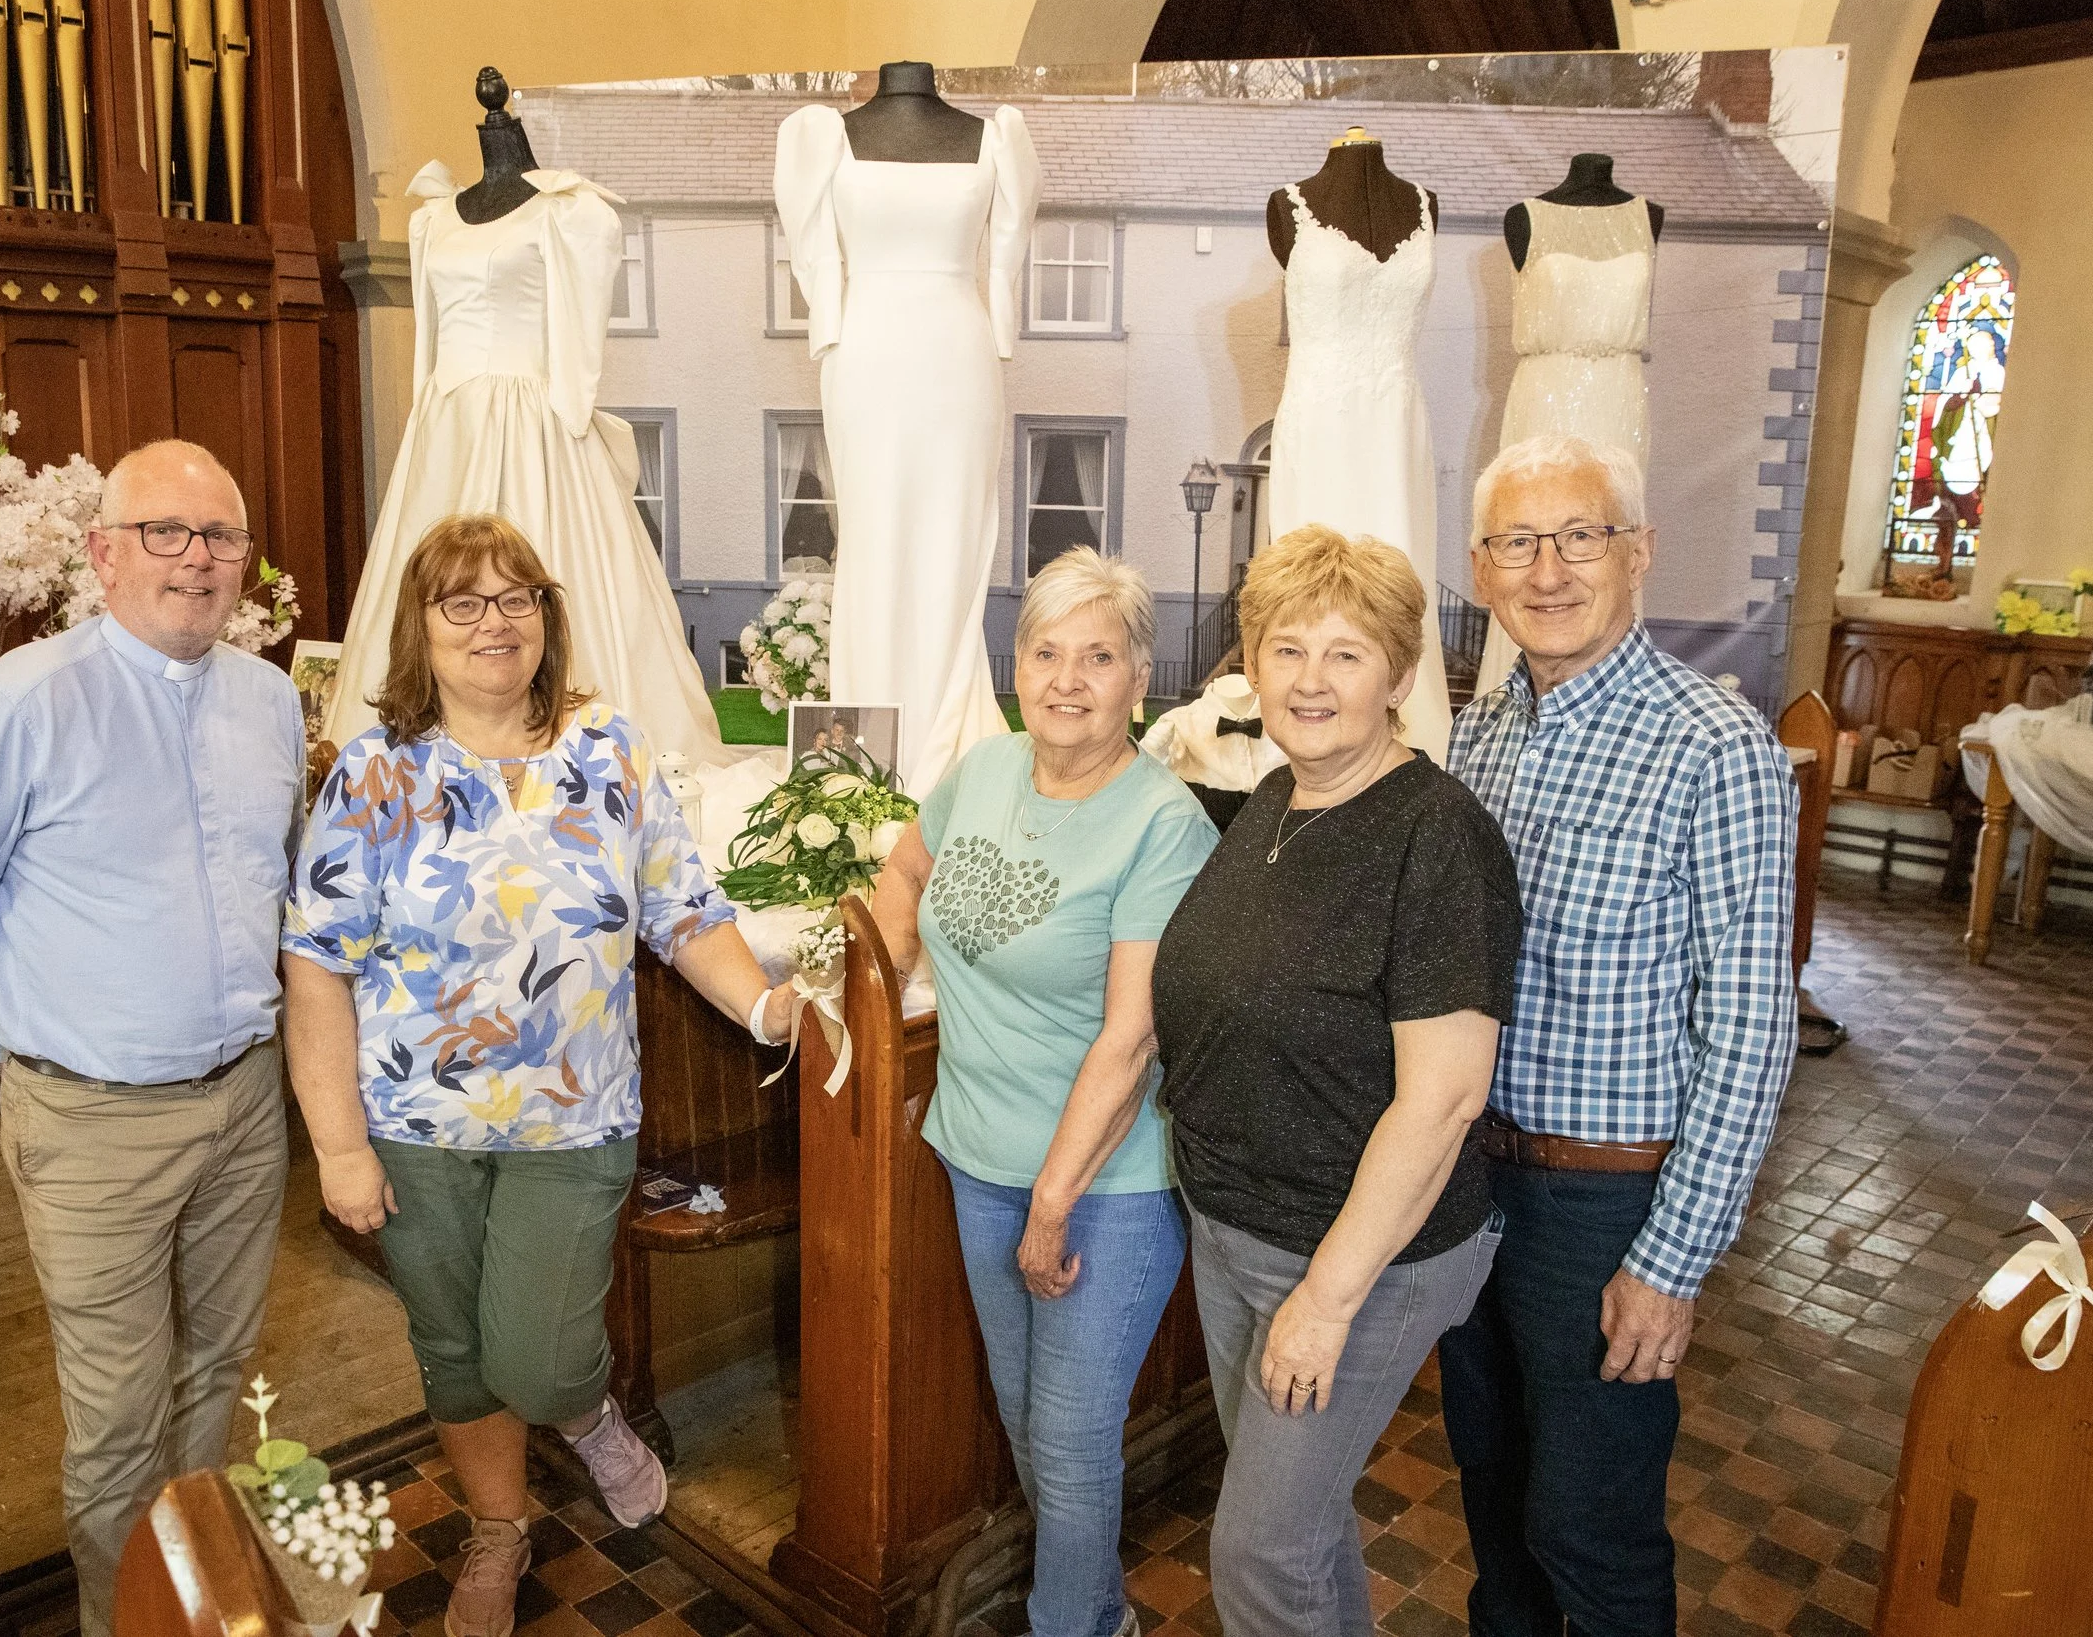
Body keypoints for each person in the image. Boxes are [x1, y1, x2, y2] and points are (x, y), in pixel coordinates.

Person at [281, 514, 796, 1637]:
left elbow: (683, 909)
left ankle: (587, 1411)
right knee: (454, 1346)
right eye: (461, 600)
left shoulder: (610, 750)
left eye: (517, 596)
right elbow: (316, 964)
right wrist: (337, 1145)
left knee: (541, 1352)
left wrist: (767, 1003)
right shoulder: (376, 771)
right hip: (413, 1122)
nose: (493, 621)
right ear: (422, 626)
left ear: (547, 617)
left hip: (575, 1118)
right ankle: (499, 1528)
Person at [0, 440, 301, 1634]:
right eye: (165, 531)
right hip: (91, 1119)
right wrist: (22, 1035)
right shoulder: (12, 704)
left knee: (217, 1366)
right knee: (117, 1411)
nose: (198, 558)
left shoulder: (269, 698)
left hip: (245, 1098)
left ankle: (197, 1586)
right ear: (102, 553)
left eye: (221, 535)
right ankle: (123, 1616)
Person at [1440, 433, 1797, 1637]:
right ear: (1481, 569)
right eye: (1515, 542)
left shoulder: (1715, 745)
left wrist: (1673, 1257)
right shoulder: (1482, 731)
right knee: (1490, 1509)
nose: (1547, 569)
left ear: (1637, 552)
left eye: (1579, 535)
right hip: (1468, 1182)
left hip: (1603, 1209)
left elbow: (1749, 1030)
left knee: (1588, 1532)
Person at [1152, 527, 1520, 1636]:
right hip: (1236, 1226)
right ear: (1250, 666)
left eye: (1346, 653)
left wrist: (1326, 1296)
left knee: (1257, 1550)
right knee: (1300, 1531)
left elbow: (1444, 1097)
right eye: (1285, 648)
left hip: (1357, 1253)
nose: (1310, 679)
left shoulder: (1435, 836)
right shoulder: (1275, 798)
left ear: (1399, 676)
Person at [873, 548, 1217, 1637]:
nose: (1068, 677)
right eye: (1045, 650)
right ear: (1015, 664)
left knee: (1068, 1440)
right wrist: (870, 986)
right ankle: (1091, 1607)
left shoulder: (1163, 825)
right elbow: (901, 874)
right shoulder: (982, 770)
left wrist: (1054, 1200)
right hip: (976, 1149)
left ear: (1138, 679)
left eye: (1099, 656)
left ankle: (1076, 1621)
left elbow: (1130, 1038)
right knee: (1030, 1421)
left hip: (1102, 1180)